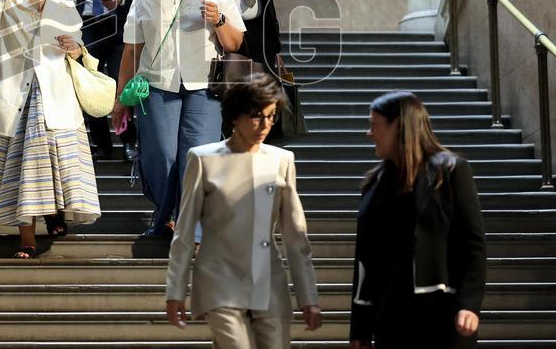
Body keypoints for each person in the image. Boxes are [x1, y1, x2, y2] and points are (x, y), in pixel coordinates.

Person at [166, 72, 322, 348]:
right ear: (235, 116)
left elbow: (296, 236)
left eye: (271, 116)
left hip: (269, 280)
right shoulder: (203, 159)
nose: (265, 124)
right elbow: (185, 230)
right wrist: (175, 291)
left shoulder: (282, 160)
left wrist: (308, 297)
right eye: (256, 115)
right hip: (218, 280)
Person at [0, 0, 101, 258]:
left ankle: (55, 212)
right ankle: (27, 237)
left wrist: (74, 48)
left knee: (52, 160)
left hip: (56, 93)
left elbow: (78, 48)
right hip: (12, 92)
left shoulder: (63, 0)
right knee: (18, 167)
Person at [111, 0, 246, 236]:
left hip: (204, 89)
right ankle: (167, 213)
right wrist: (120, 99)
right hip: (157, 88)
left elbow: (235, 42)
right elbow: (131, 52)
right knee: (162, 155)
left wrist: (219, 20)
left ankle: (190, 225)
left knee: (199, 155)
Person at [350, 91, 486, 349]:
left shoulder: (450, 171)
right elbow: (364, 260)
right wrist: (360, 327)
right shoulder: (373, 184)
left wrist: (469, 305)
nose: (369, 133)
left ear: (398, 127)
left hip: (443, 315)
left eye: (375, 125)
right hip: (391, 318)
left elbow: (473, 244)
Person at [74, 0, 145, 162]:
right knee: (91, 89)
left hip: (118, 32)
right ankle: (101, 145)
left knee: (121, 89)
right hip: (90, 31)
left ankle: (128, 142)